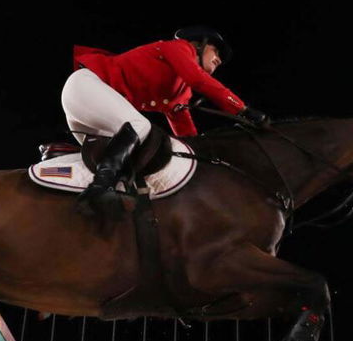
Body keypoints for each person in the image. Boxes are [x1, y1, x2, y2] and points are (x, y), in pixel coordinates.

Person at [63, 26, 269, 216]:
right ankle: (98, 191)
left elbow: (186, 133)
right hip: (86, 85)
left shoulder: (180, 92)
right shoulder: (178, 48)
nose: (219, 60)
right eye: (216, 51)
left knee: (120, 160)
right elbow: (199, 80)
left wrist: (205, 164)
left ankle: (84, 199)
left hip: (89, 108)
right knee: (140, 126)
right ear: (199, 45)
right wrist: (242, 109)